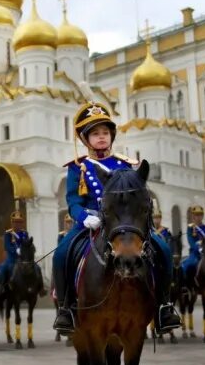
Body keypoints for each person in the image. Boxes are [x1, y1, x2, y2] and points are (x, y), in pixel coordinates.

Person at [52, 101, 181, 336]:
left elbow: (138, 197)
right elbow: (73, 202)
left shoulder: (126, 164)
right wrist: (84, 217)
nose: (101, 138)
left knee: (162, 248)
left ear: (111, 136)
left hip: (125, 224)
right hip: (91, 225)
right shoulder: (78, 168)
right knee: (62, 253)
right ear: (85, 139)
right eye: (95, 134)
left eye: (105, 133)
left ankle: (164, 306)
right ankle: (66, 309)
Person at [0, 208, 40, 297]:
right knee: (2, 269)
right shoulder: (8, 234)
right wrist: (15, 250)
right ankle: (0, 287)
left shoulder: (25, 233)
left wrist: (29, 250)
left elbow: (28, 244)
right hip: (11, 259)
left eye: (19, 222)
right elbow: (6, 246)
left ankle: (40, 288)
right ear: (12, 223)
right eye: (15, 222)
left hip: (23, 260)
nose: (17, 224)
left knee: (37, 268)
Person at [181, 205, 205, 288]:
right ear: (193, 216)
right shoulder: (190, 228)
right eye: (196, 215)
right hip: (196, 253)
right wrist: (199, 248)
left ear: (202, 216)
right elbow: (191, 241)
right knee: (188, 265)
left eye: (200, 215)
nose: (198, 217)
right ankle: (186, 286)